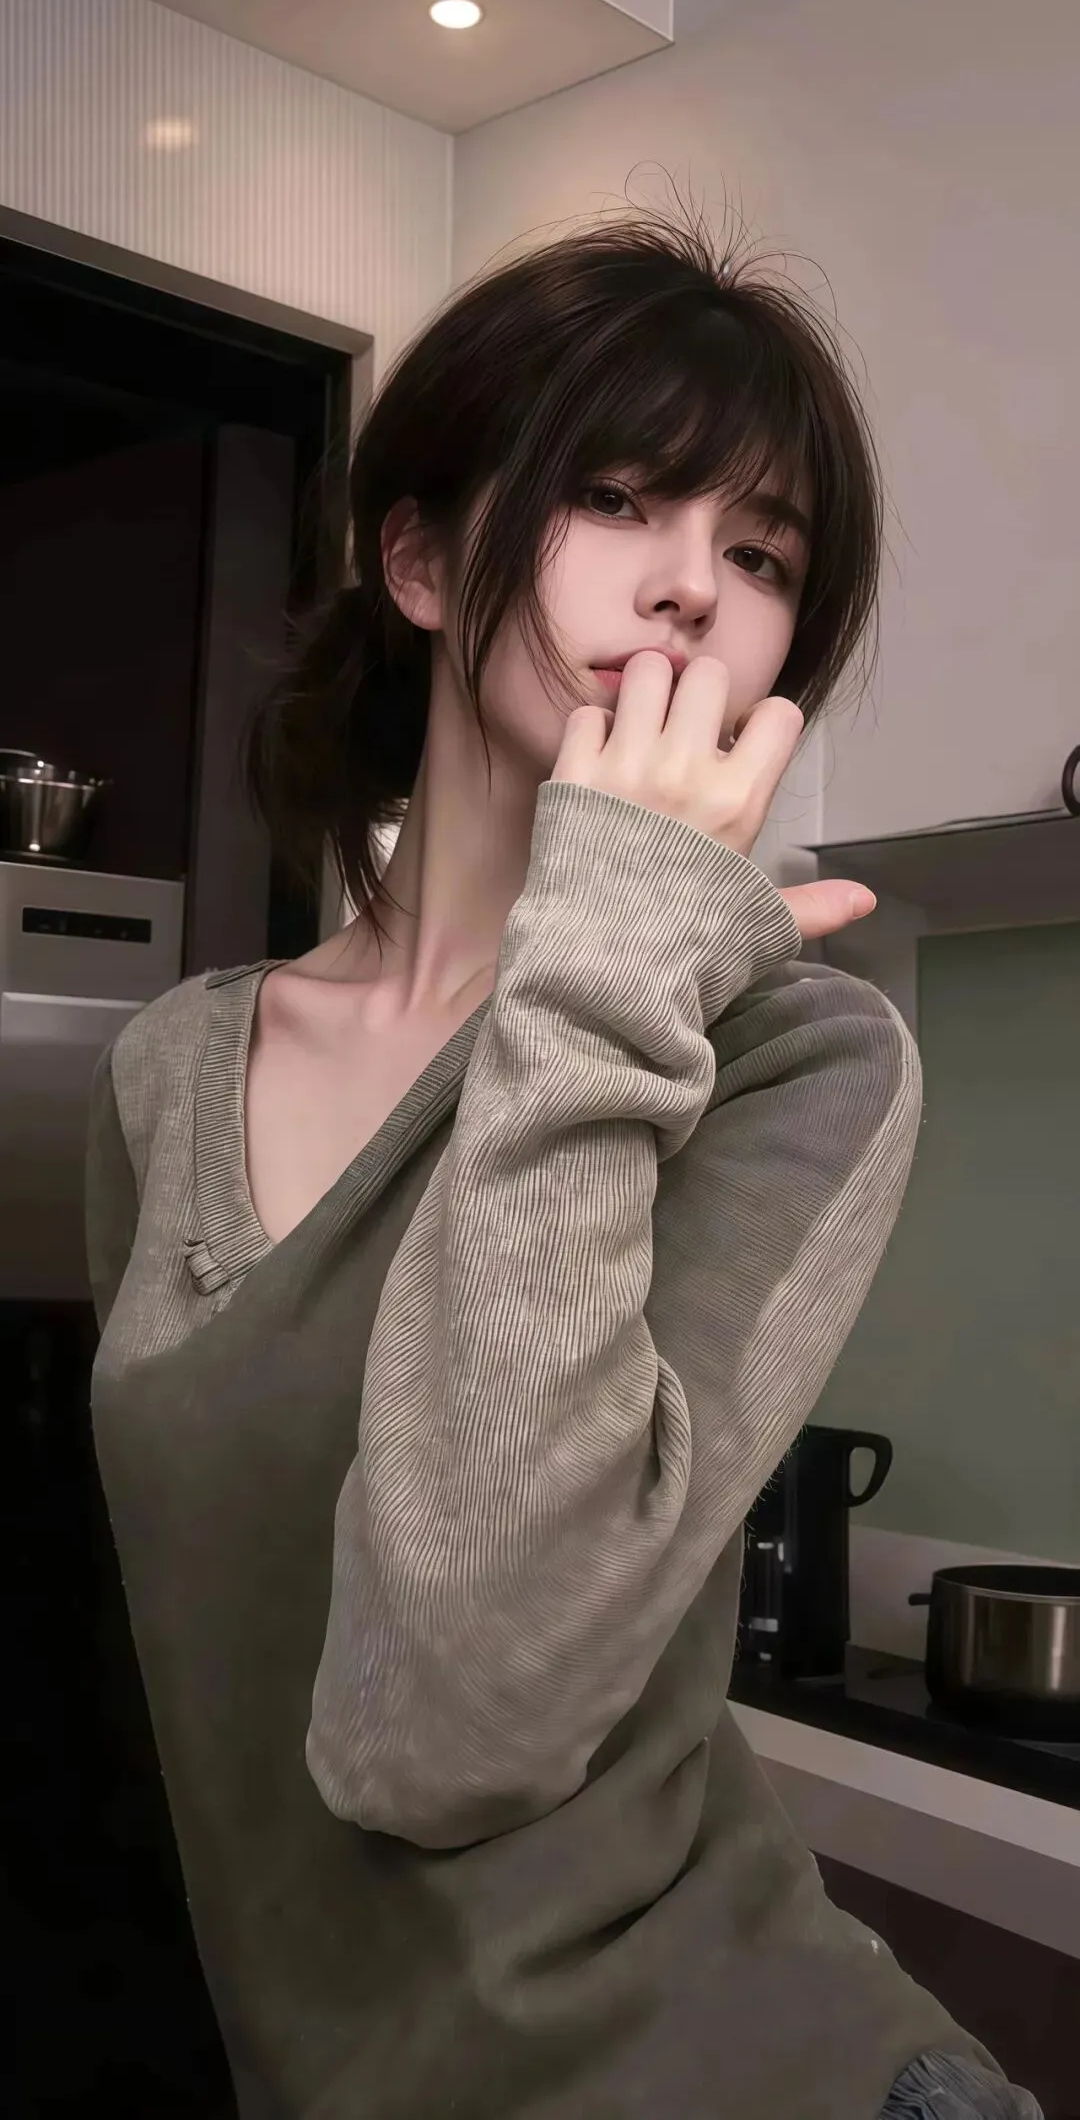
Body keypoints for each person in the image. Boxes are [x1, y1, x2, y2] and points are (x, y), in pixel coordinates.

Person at [86, 215, 1041, 2120]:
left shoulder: (799, 1057)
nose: (693, 585)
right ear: (424, 558)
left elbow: (449, 1720)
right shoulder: (165, 1074)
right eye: (615, 496)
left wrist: (610, 942)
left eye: (762, 555)